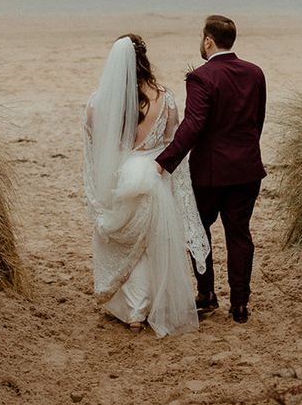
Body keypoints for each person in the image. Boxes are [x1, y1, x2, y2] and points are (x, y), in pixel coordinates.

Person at [83, 34, 209, 337]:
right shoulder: (164, 99)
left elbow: (93, 146)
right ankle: (147, 308)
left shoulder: (98, 102)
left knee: (126, 244)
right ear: (145, 59)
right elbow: (172, 144)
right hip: (153, 179)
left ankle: (133, 311)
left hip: (119, 181)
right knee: (152, 247)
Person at [156, 15, 266, 324]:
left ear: (208, 40)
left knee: (198, 231)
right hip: (247, 169)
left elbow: (193, 126)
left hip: (210, 173)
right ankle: (240, 306)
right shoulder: (255, 73)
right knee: (240, 234)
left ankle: (207, 296)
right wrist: (244, 152)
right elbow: (258, 120)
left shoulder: (202, 77)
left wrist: (165, 160)